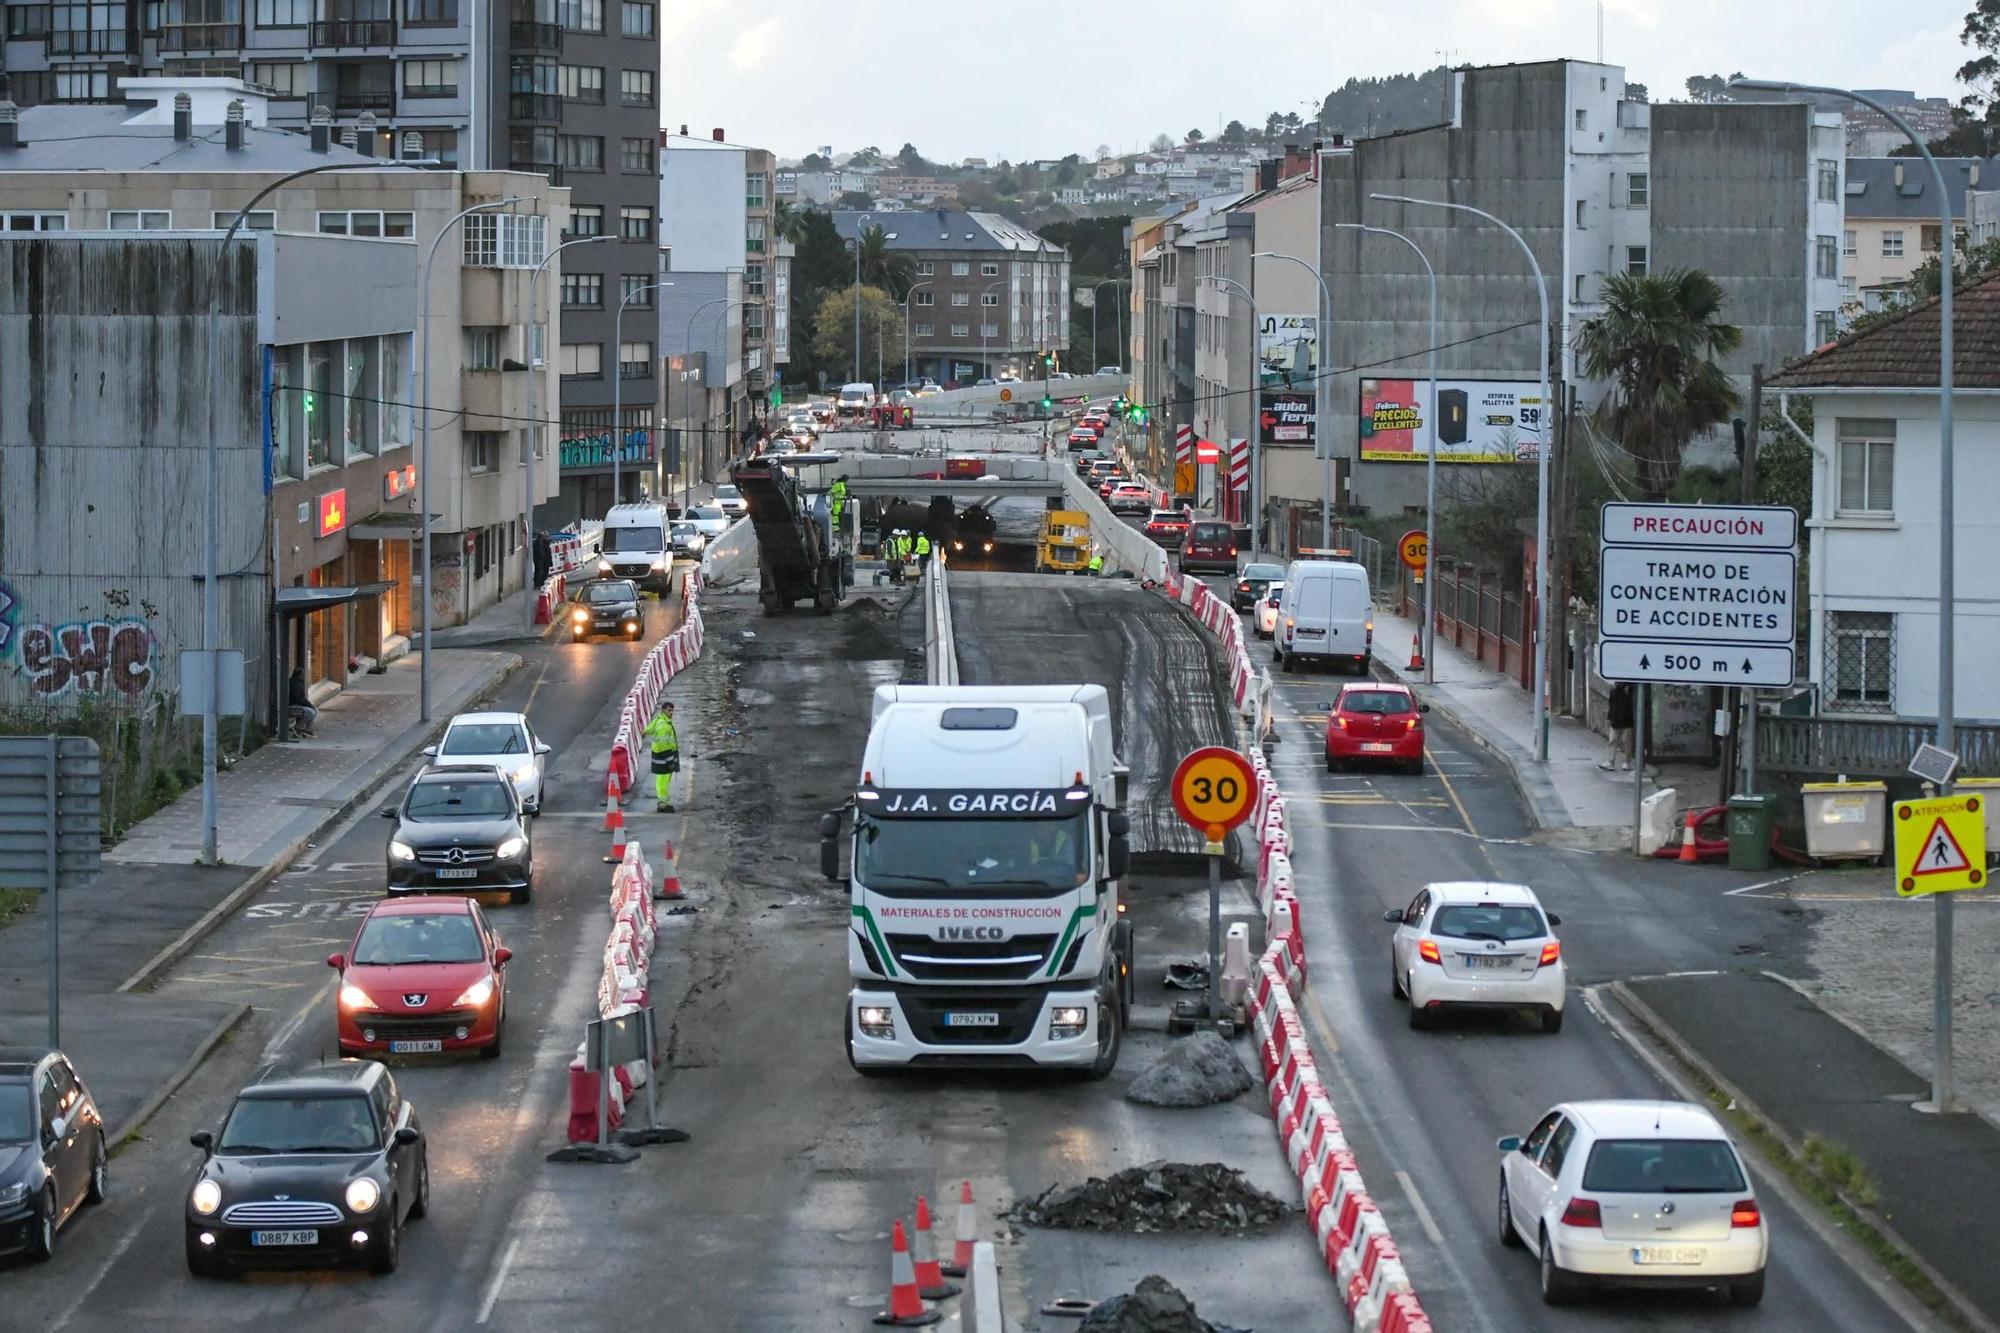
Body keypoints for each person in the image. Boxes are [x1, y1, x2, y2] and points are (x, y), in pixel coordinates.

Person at [644, 700, 680, 812]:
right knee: (663, 783)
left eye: (672, 710)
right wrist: (670, 761)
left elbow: (647, 730)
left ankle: (663, 802)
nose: (671, 712)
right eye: (669, 710)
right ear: (664, 710)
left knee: (661, 782)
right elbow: (663, 746)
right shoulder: (663, 725)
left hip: (659, 758)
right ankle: (663, 804)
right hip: (664, 759)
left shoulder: (659, 720)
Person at [1601, 681, 1635, 771]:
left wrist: (1610, 716)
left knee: (1626, 741)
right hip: (1618, 718)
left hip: (1625, 718)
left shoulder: (1628, 687)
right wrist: (1609, 716)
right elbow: (1611, 703)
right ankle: (1614, 762)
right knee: (1620, 740)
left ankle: (1625, 762)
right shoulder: (1615, 687)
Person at [287, 667, 317, 738]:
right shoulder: (294, 684)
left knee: (314, 709)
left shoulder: (297, 683)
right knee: (311, 712)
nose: (304, 676)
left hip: (297, 705)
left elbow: (301, 699)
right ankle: (298, 727)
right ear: (299, 675)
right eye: (303, 675)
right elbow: (298, 699)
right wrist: (309, 705)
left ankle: (308, 729)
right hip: (292, 706)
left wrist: (310, 704)